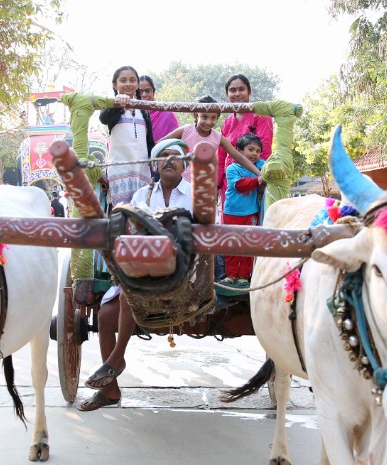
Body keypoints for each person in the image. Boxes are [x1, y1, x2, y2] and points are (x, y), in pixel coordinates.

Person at [78, 141, 192, 411]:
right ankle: (110, 391)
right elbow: (133, 227)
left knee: (133, 284)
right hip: (144, 267)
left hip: (183, 274)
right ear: (154, 164)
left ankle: (117, 359)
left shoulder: (196, 194)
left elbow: (203, 230)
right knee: (105, 314)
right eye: (163, 156)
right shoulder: (143, 194)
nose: (169, 161)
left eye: (175, 157)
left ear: (185, 165)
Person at [161, 96, 262, 183]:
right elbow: (161, 144)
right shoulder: (186, 130)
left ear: (217, 118)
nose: (208, 122)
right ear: (196, 115)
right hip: (180, 183)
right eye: (204, 117)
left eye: (213, 118)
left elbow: (238, 157)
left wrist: (259, 173)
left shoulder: (218, 137)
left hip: (202, 186)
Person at [98, 66, 155, 208]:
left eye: (132, 80)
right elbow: (103, 119)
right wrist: (118, 103)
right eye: (123, 80)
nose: (128, 84)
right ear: (115, 85)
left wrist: (154, 161)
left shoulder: (143, 110)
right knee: (122, 212)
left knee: (142, 211)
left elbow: (149, 141)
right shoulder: (113, 106)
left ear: (137, 85)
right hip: (120, 170)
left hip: (141, 170)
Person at [218, 74, 274, 201]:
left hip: (253, 180)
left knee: (251, 218)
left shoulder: (261, 116)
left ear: (249, 92)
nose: (237, 93)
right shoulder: (226, 123)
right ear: (227, 95)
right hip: (230, 182)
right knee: (228, 219)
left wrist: (262, 180)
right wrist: (217, 184)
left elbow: (264, 151)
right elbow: (221, 156)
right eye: (232, 90)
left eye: (241, 89)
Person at [221, 134, 266, 285]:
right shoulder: (232, 168)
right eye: (251, 149)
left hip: (251, 212)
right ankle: (231, 275)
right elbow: (239, 185)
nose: (255, 153)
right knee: (232, 244)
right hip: (232, 213)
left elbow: (271, 170)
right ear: (239, 151)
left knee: (249, 244)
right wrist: (258, 179)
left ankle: (244, 277)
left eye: (258, 151)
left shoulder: (261, 166)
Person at [138, 75, 179, 142]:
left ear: (153, 92)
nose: (144, 95)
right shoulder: (131, 113)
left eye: (147, 91)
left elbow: (175, 141)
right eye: (140, 92)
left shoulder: (166, 114)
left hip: (163, 151)